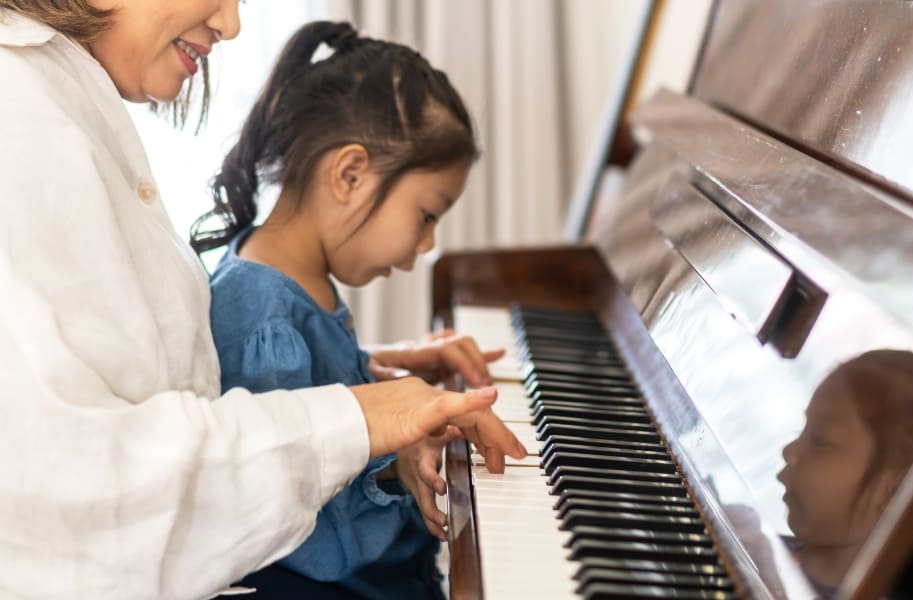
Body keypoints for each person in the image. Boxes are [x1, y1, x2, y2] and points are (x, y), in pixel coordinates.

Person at [0, 3, 525, 599]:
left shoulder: (57, 98)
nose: (233, 24)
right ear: (349, 174)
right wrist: (383, 434)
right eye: (426, 216)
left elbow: (137, 377)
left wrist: (377, 374)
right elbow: (81, 479)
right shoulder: (16, 119)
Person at [197, 20, 494, 598]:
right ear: (350, 173)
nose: (427, 244)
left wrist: (388, 367)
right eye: (427, 215)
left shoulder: (292, 279)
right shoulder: (263, 312)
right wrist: (394, 460)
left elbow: (320, 394)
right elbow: (284, 496)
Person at [776, 349, 913, 597]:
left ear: (897, 488)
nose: (789, 451)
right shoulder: (753, 547)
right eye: (803, 430)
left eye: (820, 440)